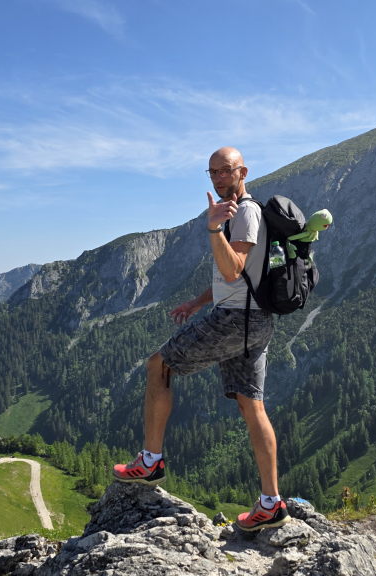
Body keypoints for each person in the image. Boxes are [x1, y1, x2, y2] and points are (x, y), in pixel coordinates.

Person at [113, 146, 288, 531]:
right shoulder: (241, 211)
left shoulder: (244, 213)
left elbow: (232, 269)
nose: (218, 178)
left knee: (158, 366)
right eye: (211, 173)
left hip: (234, 321)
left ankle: (150, 461)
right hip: (254, 319)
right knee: (251, 405)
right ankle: (271, 502)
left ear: (243, 171)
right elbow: (243, 277)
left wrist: (212, 229)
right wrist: (196, 301)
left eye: (225, 171)